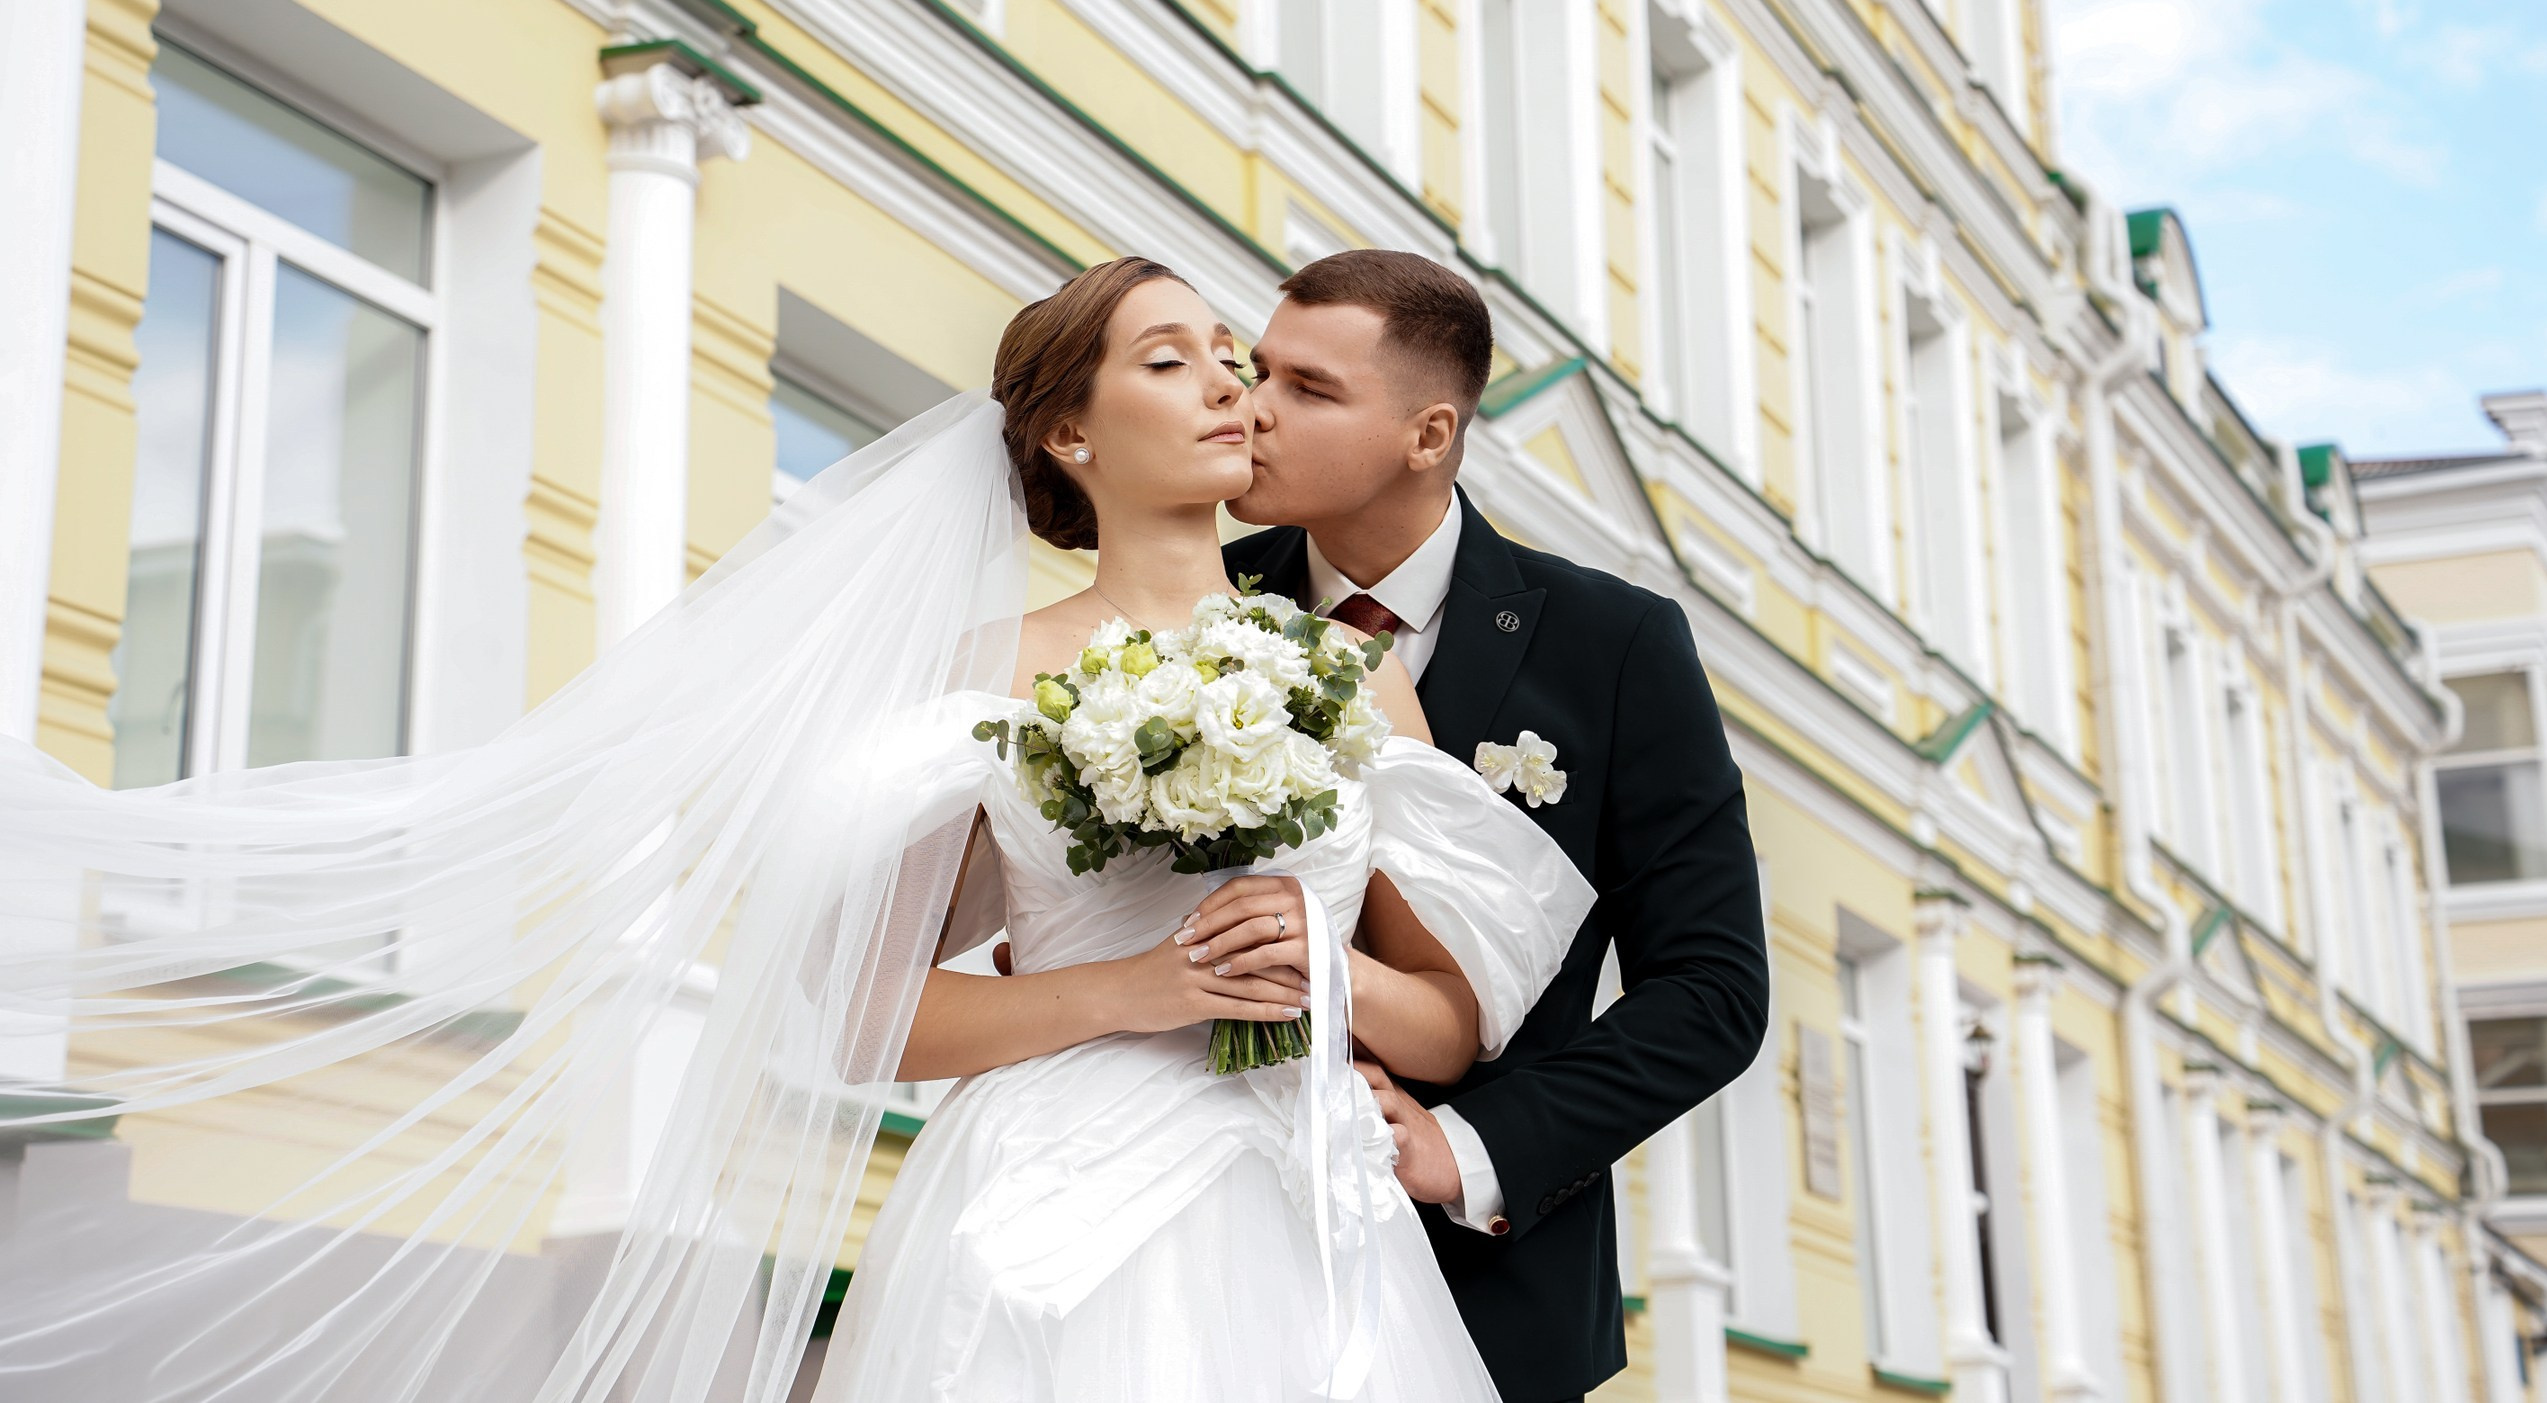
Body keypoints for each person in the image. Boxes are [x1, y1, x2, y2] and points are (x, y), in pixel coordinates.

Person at [0, 257, 1592, 1403]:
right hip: (1049, 1202)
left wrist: (1323, 965)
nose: (1232, 383)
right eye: (1171, 358)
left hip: (1312, 1212)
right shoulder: (993, 678)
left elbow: (1454, 1022)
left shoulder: (1347, 671)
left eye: (1230, 355)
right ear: (1070, 436)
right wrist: (1136, 989)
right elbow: (860, 1008)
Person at [1224, 249, 1769, 1403]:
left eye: (1309, 390)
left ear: (1428, 435)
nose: (1251, 408)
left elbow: (1711, 990)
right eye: (1257, 368)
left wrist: (1467, 1150)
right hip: (1202, 1242)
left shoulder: (1613, 646)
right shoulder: (1192, 608)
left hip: (1484, 1293)